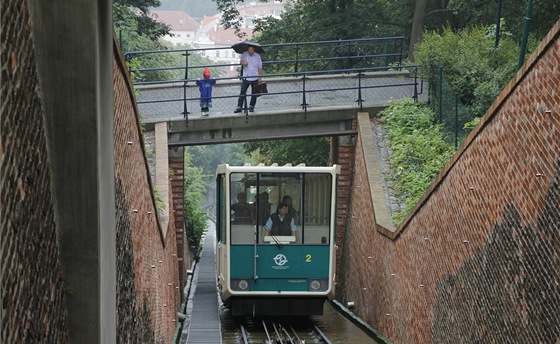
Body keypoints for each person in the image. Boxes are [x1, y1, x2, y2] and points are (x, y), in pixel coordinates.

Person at [234, 46, 263, 113]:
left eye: (251, 50)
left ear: (254, 50)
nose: (250, 51)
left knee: (254, 93)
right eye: (249, 50)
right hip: (246, 77)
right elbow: (241, 62)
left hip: (255, 77)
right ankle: (239, 107)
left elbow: (260, 67)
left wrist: (260, 77)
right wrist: (244, 63)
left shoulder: (257, 56)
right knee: (243, 92)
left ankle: (251, 106)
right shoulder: (245, 54)